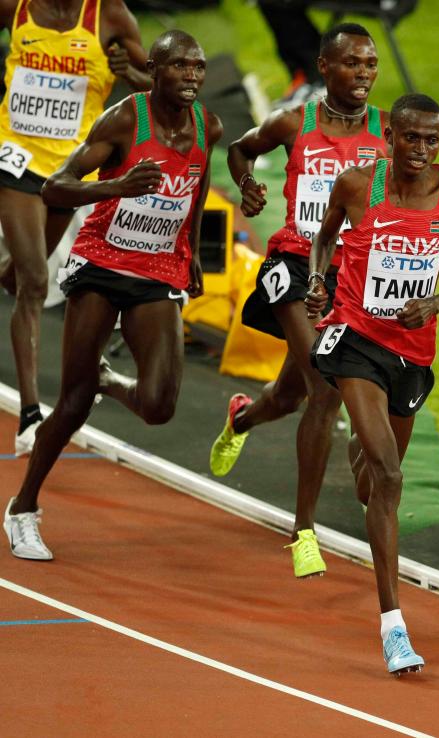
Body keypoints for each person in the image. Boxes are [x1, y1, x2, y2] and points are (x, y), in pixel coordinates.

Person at [2, 30, 222, 561]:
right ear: (156, 67)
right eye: (181, 67)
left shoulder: (206, 127)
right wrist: (114, 187)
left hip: (156, 269)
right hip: (101, 264)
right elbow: (56, 185)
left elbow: (198, 182)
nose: (192, 77)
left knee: (159, 405)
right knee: (74, 403)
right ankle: (22, 509)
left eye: (199, 67)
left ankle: (107, 376)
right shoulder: (125, 120)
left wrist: (192, 250)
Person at [209, 22, 388, 579]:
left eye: (371, 64)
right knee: (324, 384)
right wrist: (246, 184)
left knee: (290, 394)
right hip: (292, 263)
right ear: (325, 67)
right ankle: (303, 530)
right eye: (352, 64)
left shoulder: (389, 134)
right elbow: (241, 150)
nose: (364, 74)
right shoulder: (294, 122)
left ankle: (242, 418)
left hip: (350, 281)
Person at [308, 93, 439, 674]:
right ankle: (394, 626)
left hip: (412, 352)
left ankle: (361, 445)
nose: (423, 151)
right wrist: (316, 281)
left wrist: (434, 303)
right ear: (392, 136)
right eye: (413, 139)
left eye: (433, 140)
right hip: (355, 338)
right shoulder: (357, 186)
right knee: (391, 475)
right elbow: (324, 238)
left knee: (370, 482)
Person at [0, 0, 150, 457]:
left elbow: (159, 87)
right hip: (15, 156)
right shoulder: (16, 8)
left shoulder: (111, 16)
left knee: (21, 273)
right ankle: (30, 416)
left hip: (69, 170)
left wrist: (128, 72)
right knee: (35, 282)